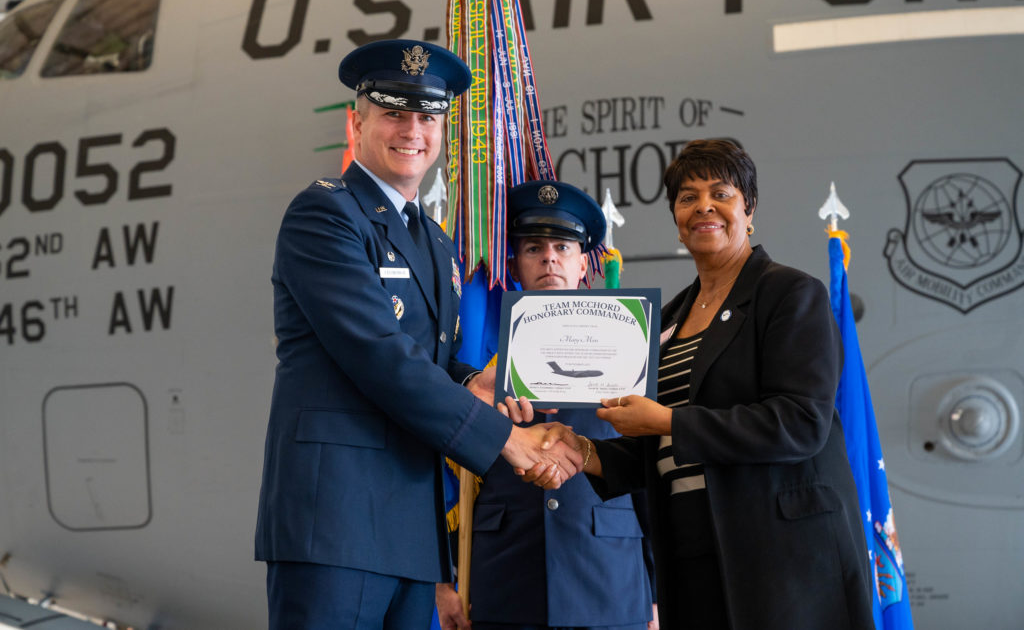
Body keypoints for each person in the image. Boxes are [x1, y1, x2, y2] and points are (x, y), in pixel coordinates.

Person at [254, 39, 581, 630]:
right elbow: (381, 356)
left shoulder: (432, 238)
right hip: (336, 523)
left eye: (428, 117)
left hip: (410, 529)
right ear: (357, 123)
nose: (413, 130)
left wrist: (473, 380)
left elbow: (428, 359)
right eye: (393, 113)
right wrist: (508, 441)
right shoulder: (325, 216)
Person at [525, 139, 875, 630]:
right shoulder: (667, 320)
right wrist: (580, 450)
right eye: (687, 197)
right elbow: (656, 447)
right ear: (676, 218)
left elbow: (801, 423)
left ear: (748, 208)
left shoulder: (790, 293)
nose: (703, 207)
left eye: (721, 193)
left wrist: (666, 420)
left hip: (781, 556)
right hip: (693, 550)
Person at [435, 180, 657, 630]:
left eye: (563, 247)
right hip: (506, 580)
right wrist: (443, 581)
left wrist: (659, 593)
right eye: (534, 247)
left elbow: (649, 470)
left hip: (610, 579)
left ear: (583, 265)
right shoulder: (480, 364)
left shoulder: (628, 345)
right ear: (514, 264)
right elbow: (439, 475)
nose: (549, 257)